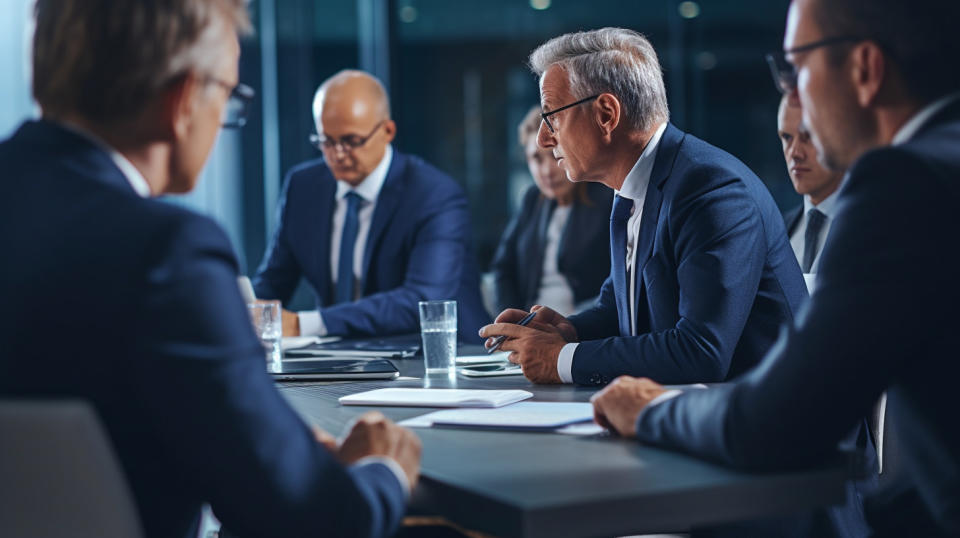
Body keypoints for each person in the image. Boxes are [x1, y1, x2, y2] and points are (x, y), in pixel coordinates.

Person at [0, 2, 420, 537]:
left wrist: (268, 447)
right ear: (182, 100)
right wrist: (382, 470)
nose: (224, 117)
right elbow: (314, 518)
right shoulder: (166, 254)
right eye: (227, 94)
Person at [591, 0, 960, 535]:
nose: (792, 98)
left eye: (795, 68)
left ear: (865, 69)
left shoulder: (904, 184)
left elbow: (777, 422)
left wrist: (649, 409)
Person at [481, 28, 807, 386]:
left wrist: (560, 359)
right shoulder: (633, 189)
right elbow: (621, 310)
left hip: (774, 429)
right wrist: (568, 330)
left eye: (552, 116)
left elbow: (701, 351)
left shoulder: (710, 190)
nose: (544, 138)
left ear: (606, 114)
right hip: (699, 414)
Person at [252, 70, 489, 341]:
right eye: (326, 141)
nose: (337, 155)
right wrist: (245, 312)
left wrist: (304, 324)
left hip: (437, 357)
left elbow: (422, 301)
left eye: (351, 141)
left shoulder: (434, 195)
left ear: (387, 131)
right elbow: (273, 282)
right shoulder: (303, 186)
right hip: (342, 357)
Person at [490, 105, 612, 316]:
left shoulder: (606, 199)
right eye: (536, 159)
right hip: (531, 324)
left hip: (585, 327)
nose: (546, 171)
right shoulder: (532, 199)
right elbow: (503, 268)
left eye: (555, 156)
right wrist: (510, 321)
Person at [777, 93, 845, 283]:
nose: (794, 153)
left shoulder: (874, 224)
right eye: (787, 137)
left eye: (808, 136)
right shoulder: (777, 232)